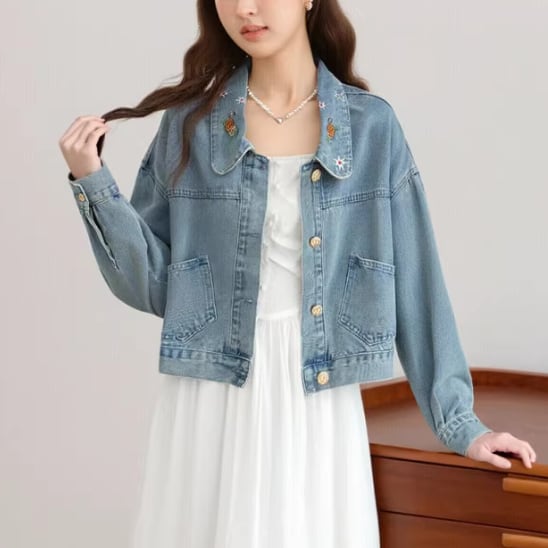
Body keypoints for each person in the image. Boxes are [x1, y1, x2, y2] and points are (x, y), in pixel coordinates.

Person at [58, 0, 537, 546]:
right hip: (208, 398)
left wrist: (461, 425)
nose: (245, 8)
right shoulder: (190, 125)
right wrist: (92, 181)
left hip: (316, 398)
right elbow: (152, 285)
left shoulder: (370, 129)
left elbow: (417, 282)